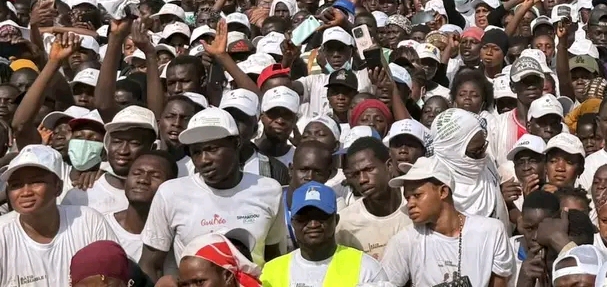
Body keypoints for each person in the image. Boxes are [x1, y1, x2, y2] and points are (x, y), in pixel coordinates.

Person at [140, 107, 286, 279]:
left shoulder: (269, 191)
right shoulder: (171, 194)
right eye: (196, 152)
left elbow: (273, 258)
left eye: (212, 149)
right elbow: (150, 264)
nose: (204, 160)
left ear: (236, 143)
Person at [381, 156, 514, 287]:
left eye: (417, 195)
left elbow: (499, 283)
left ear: (443, 192)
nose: (410, 204)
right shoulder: (404, 241)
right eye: (408, 198)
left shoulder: (491, 232)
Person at [0, 145, 118, 287]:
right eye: (16, 185)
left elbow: (116, 277)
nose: (25, 192)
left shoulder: (89, 222)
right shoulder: (2, 234)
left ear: (58, 187)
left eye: (36, 182)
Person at [261, 181, 390, 286]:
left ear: (336, 220)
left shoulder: (366, 269)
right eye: (304, 218)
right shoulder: (270, 272)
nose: (313, 224)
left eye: (321, 216)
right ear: (292, 222)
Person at [337, 137, 412, 259]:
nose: (362, 179)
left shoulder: (415, 203)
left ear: (389, 166)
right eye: (355, 174)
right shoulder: (345, 224)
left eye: (369, 169)